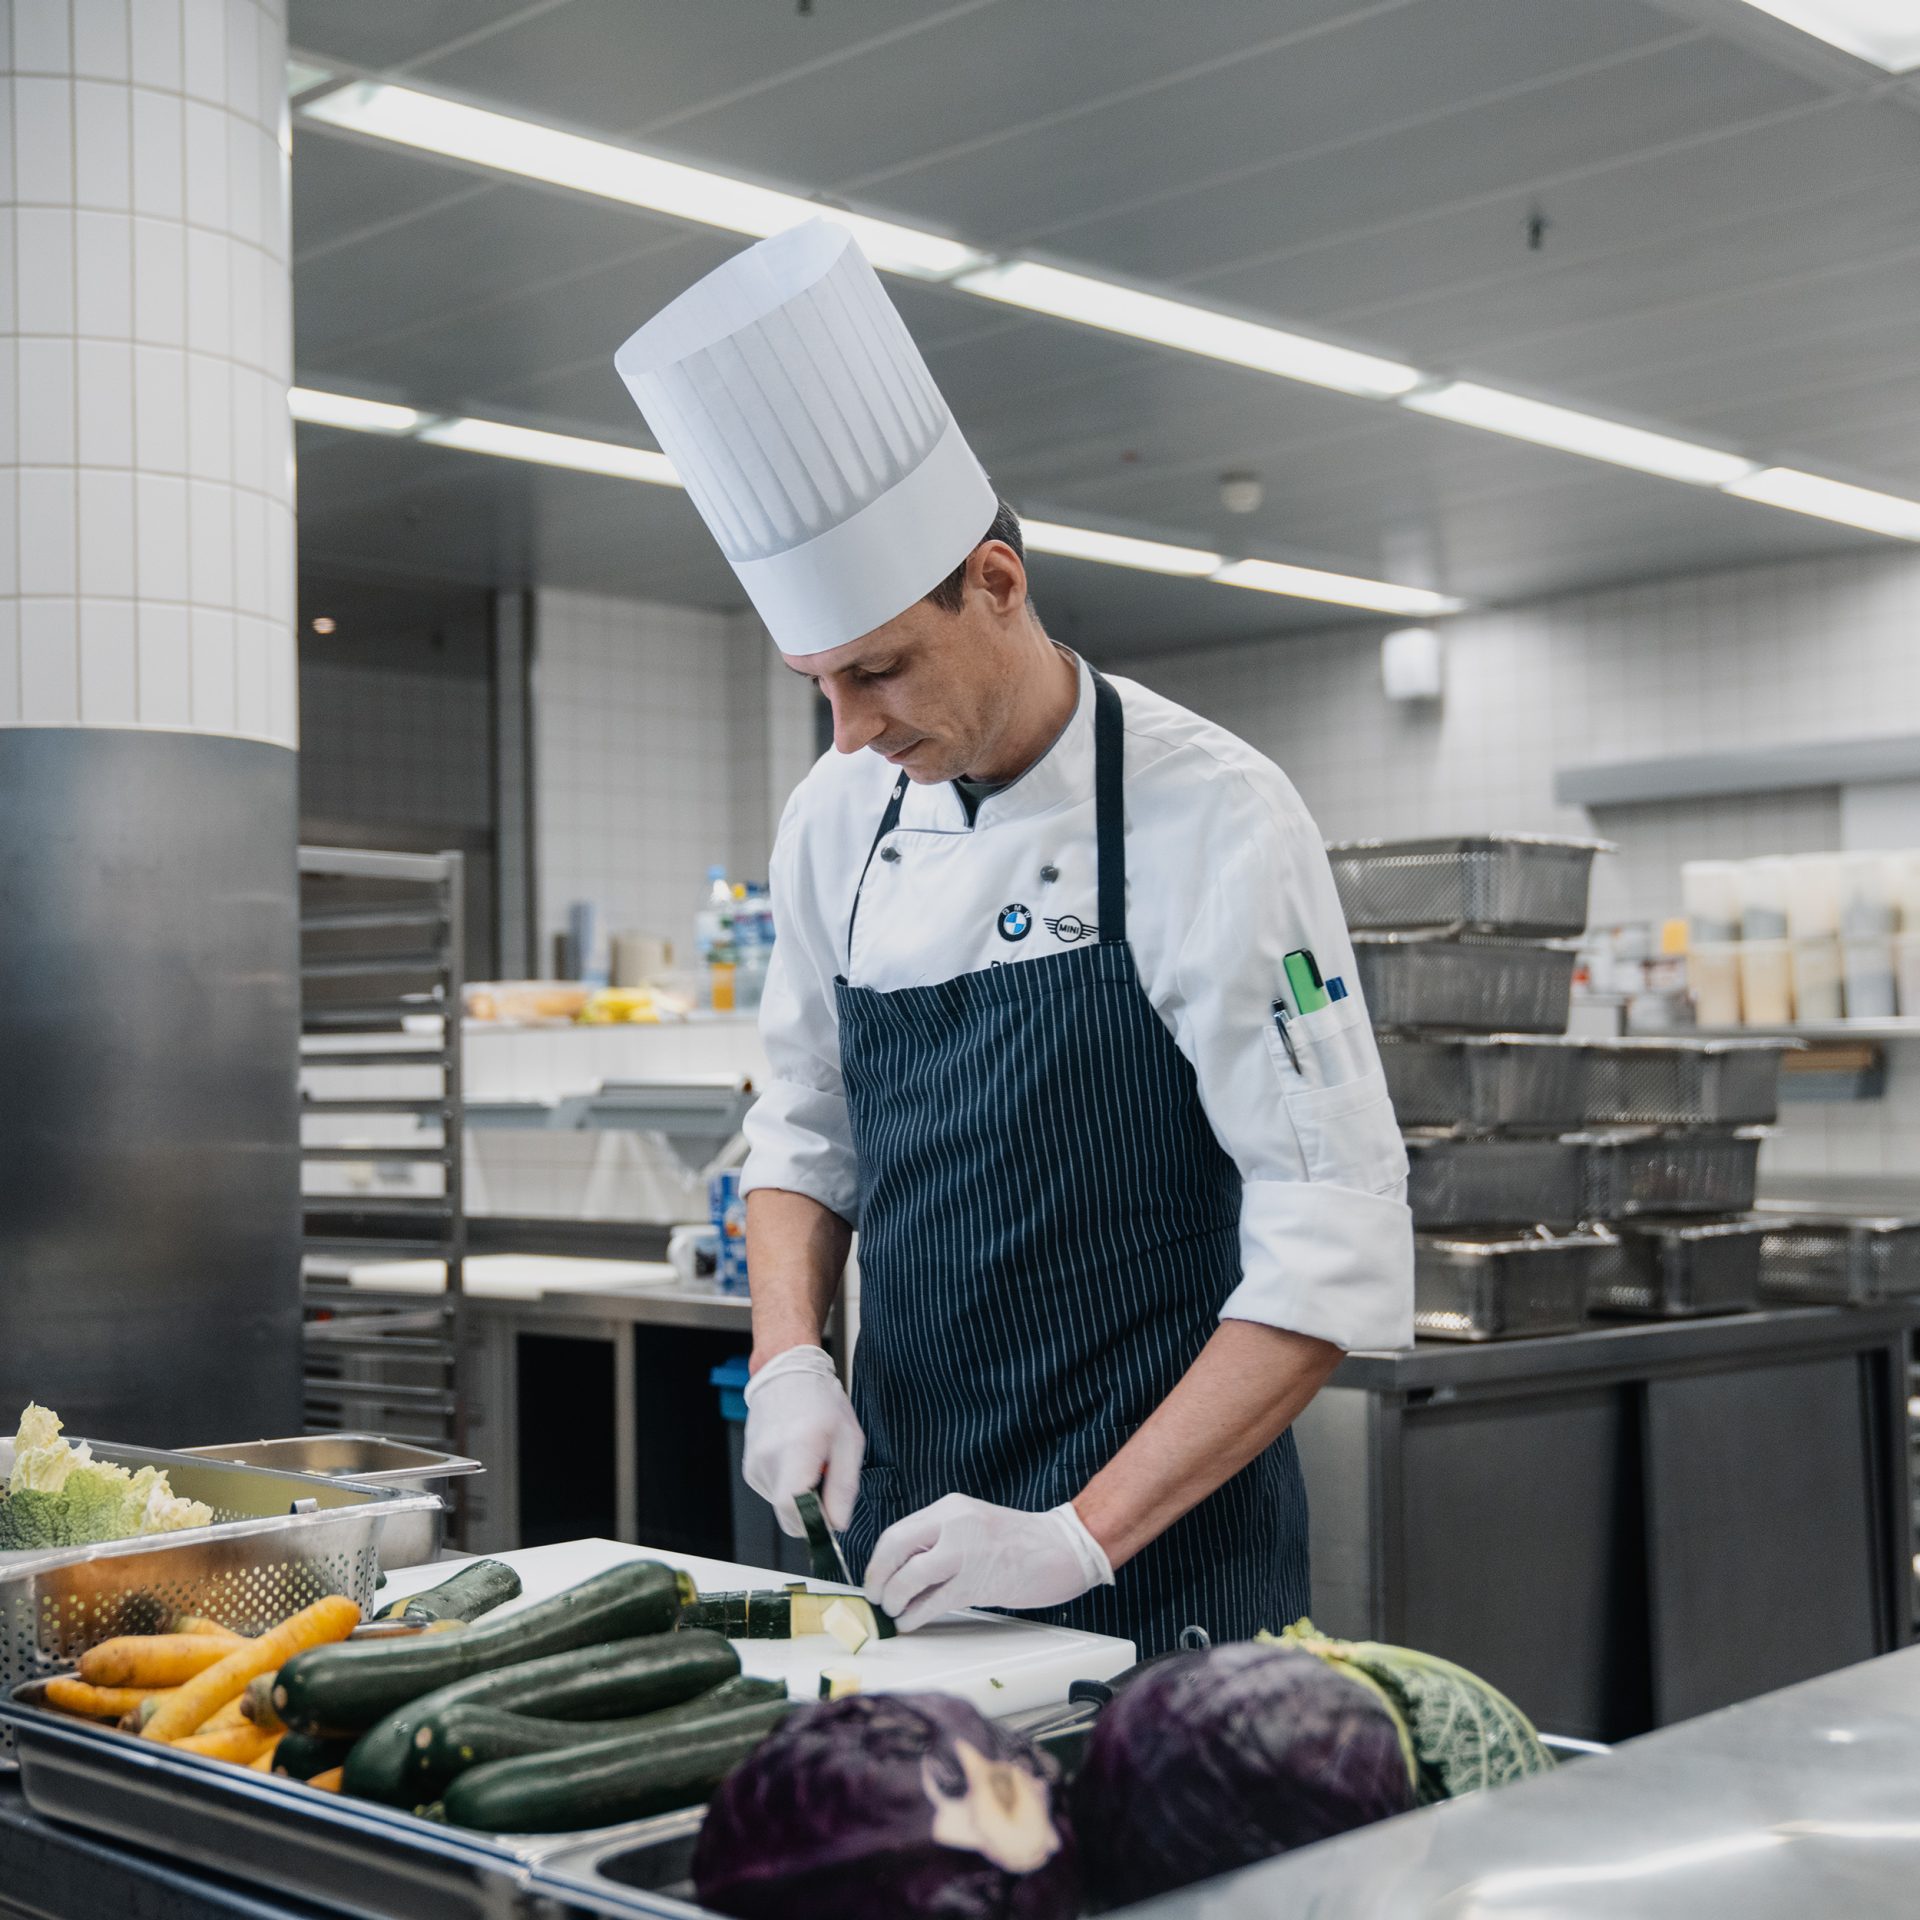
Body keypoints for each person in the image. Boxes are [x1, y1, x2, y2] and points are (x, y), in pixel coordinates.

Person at [616, 219, 1412, 1656]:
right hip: (907, 1540)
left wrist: (1078, 1535)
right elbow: (803, 1132)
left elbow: (1331, 1250)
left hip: (1163, 1568)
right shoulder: (836, 814)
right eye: (816, 685)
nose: (851, 730)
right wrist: (789, 1349)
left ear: (995, 585)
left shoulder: (1217, 816)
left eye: (878, 672)